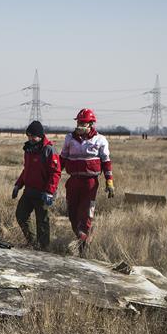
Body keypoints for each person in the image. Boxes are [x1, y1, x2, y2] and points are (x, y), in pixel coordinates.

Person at [59, 108, 114, 256]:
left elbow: (106, 162)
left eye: (83, 122)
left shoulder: (100, 140)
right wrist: (55, 174)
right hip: (73, 182)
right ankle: (83, 238)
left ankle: (84, 247)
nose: (80, 125)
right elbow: (62, 159)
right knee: (72, 214)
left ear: (91, 124)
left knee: (85, 215)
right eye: (78, 122)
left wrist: (109, 181)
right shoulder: (69, 138)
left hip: (90, 184)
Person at [12, 120, 61, 250]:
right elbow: (26, 170)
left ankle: (43, 248)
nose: (30, 138)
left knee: (42, 221)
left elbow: (55, 173)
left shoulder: (49, 150)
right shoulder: (28, 149)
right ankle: (33, 242)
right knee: (21, 215)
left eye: (33, 136)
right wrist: (18, 185)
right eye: (28, 136)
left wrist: (50, 192)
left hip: (43, 193)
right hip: (29, 190)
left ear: (40, 135)